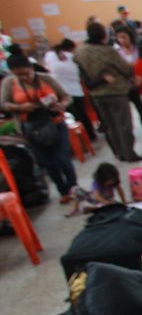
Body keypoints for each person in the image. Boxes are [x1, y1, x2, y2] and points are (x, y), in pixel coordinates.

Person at [1, 52, 78, 202]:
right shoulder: (9, 84)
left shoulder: (46, 79)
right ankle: (63, 191)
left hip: (54, 123)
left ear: (31, 68)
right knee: (47, 162)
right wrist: (21, 107)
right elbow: (4, 104)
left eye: (26, 73)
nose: (24, 77)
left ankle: (73, 187)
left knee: (62, 158)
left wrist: (60, 105)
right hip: (31, 128)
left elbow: (66, 97)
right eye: (19, 75)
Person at [73, 21, 141, 162]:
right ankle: (129, 153)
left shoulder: (80, 51)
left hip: (96, 94)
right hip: (115, 92)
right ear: (103, 35)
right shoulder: (107, 51)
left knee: (110, 126)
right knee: (124, 124)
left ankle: (119, 153)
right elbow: (125, 69)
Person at [42, 39, 92, 141]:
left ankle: (80, 139)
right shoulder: (71, 57)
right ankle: (90, 135)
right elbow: (78, 72)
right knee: (82, 114)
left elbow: (49, 70)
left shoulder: (49, 56)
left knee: (72, 118)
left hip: (62, 92)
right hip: (76, 90)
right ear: (70, 48)